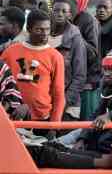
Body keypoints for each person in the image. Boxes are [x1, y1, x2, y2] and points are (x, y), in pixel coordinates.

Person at [1, 9, 65, 138]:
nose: (44, 34)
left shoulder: (55, 56)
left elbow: (58, 93)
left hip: (42, 121)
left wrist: (54, 125)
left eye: (47, 29)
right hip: (12, 118)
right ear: (29, 29)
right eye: (39, 30)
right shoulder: (11, 52)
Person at [65, 0, 102, 121]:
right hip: (71, 80)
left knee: (86, 123)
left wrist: (75, 34)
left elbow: (93, 53)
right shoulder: (69, 18)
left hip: (88, 81)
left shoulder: (88, 20)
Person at [50, 0, 87, 121]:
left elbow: (80, 76)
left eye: (64, 11)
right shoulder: (45, 36)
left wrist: (63, 102)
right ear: (51, 13)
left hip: (68, 105)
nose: (60, 14)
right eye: (56, 10)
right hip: (45, 103)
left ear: (70, 15)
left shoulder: (75, 39)